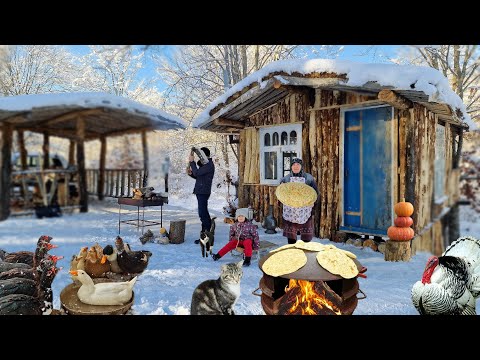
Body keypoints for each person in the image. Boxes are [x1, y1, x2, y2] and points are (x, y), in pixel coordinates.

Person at [279, 157, 319, 244]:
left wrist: (313, 206)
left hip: (305, 209)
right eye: (293, 165)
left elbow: (315, 193)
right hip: (291, 209)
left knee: (306, 236)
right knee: (291, 235)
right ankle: (292, 251)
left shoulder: (308, 178)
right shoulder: (286, 179)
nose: (295, 166)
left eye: (298, 164)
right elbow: (281, 193)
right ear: (291, 167)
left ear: (301, 166)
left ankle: (305, 250)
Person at [188, 147, 215, 244]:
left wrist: (192, 162)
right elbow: (198, 176)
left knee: (203, 214)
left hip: (203, 192)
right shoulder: (206, 165)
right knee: (203, 214)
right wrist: (191, 174)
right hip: (201, 191)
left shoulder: (209, 165)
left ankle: (207, 236)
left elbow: (197, 172)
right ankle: (205, 235)